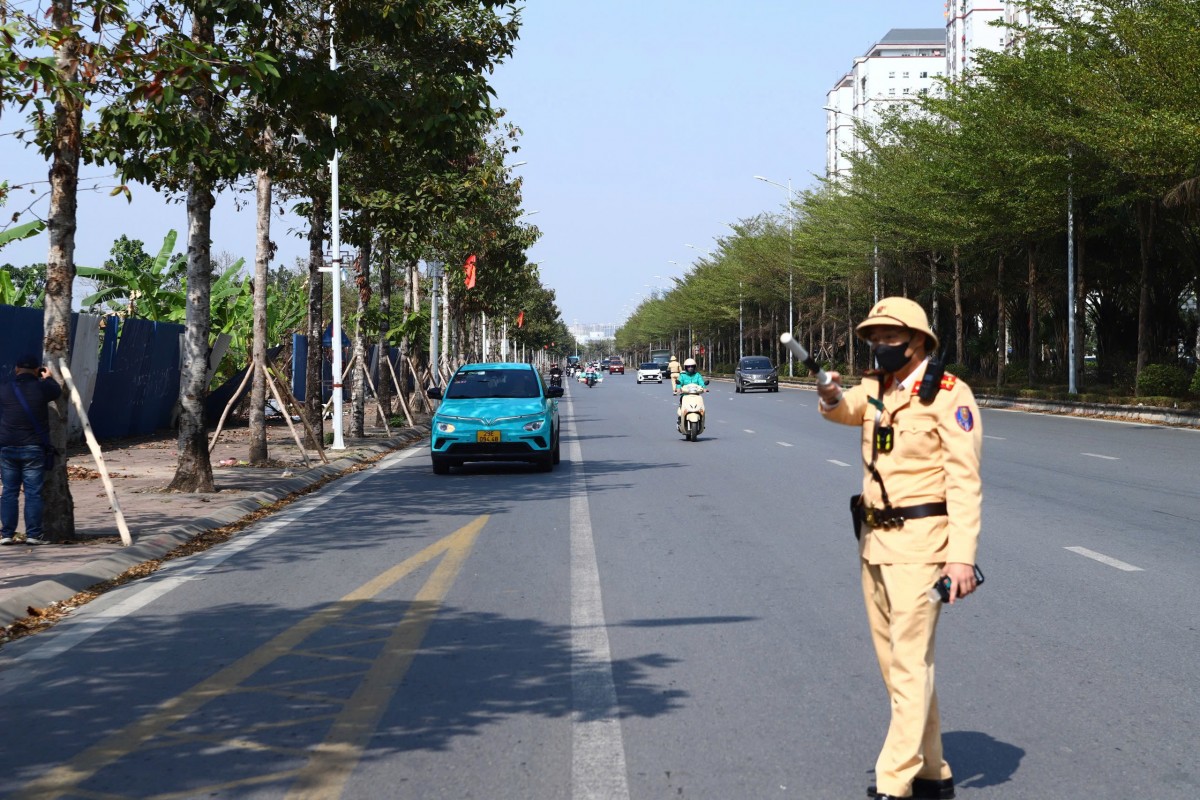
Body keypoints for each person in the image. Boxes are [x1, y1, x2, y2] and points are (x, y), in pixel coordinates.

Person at [815, 297, 982, 800]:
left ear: (917, 341)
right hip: (874, 545)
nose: (881, 346)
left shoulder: (951, 395)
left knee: (910, 663)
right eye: (874, 339)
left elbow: (965, 483)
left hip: (923, 549)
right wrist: (827, 395)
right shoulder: (878, 388)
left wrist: (961, 557)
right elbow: (845, 412)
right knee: (898, 666)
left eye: (890, 338)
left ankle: (894, 781)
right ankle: (934, 772)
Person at [0, 353, 63, 546]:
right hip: (33, 448)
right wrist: (49, 377)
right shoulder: (42, 388)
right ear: (37, 371)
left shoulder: (4, 389)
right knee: (33, 493)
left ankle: (7, 534)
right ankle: (33, 535)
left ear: (16, 369)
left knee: (9, 492)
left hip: (8, 447)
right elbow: (56, 390)